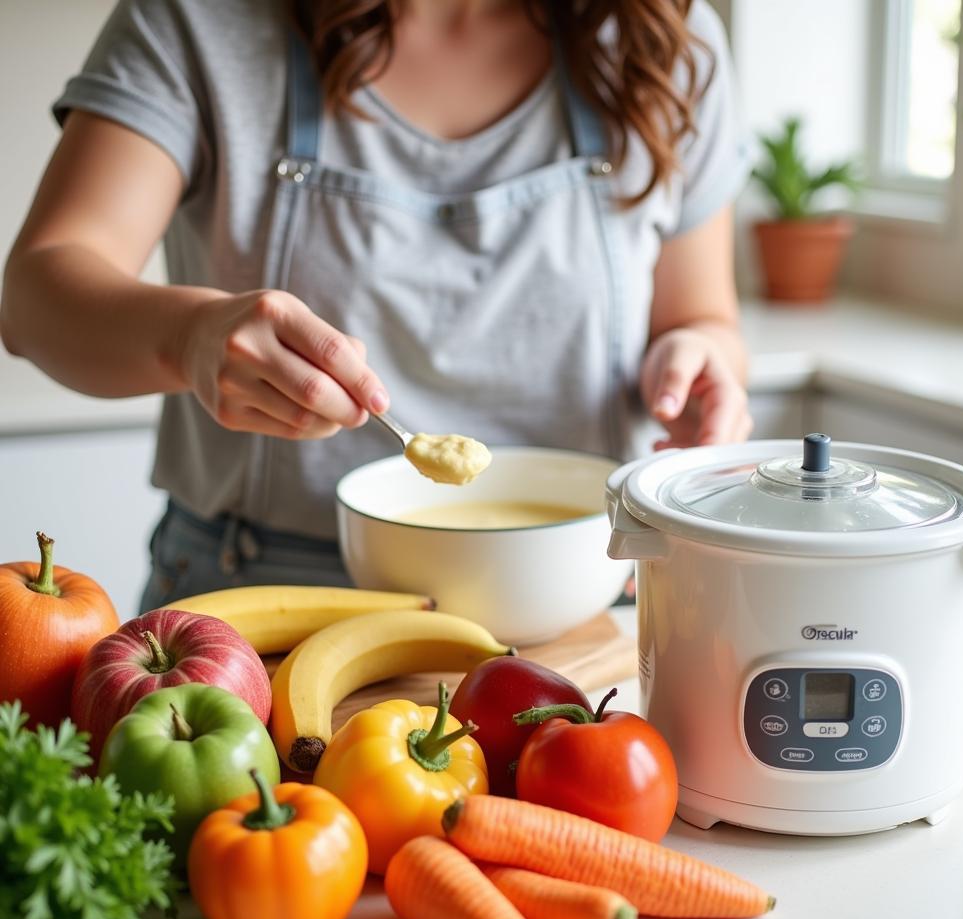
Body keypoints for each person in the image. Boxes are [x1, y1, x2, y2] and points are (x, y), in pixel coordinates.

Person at [1, 0, 752, 611]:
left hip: (581, 605)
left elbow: (701, 318)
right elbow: (34, 294)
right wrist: (191, 338)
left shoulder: (666, 43)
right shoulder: (199, 23)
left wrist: (702, 362)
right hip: (264, 602)